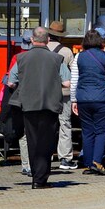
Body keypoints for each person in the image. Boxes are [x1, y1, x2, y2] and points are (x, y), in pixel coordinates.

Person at [8, 26, 71, 189]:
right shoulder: (57, 59)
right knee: (47, 142)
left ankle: (35, 175)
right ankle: (41, 178)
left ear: (31, 40)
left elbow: (11, 80)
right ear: (48, 40)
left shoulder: (21, 58)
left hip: (28, 105)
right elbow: (67, 82)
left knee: (32, 140)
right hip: (50, 105)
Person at [71, 29, 105, 175]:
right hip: (102, 98)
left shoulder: (78, 57)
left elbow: (74, 81)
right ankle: (97, 162)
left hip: (83, 98)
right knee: (101, 131)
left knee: (87, 131)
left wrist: (73, 100)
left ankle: (89, 164)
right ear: (100, 42)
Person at [45, 20, 78, 170]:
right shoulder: (66, 51)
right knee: (64, 124)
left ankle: (45, 155)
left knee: (46, 124)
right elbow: (73, 72)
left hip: (45, 92)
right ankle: (65, 158)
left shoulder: (42, 49)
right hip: (63, 93)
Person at [3, 30, 35, 176]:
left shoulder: (17, 57)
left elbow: (11, 82)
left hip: (20, 98)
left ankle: (26, 164)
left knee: (23, 133)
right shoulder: (40, 56)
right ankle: (35, 163)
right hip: (37, 98)